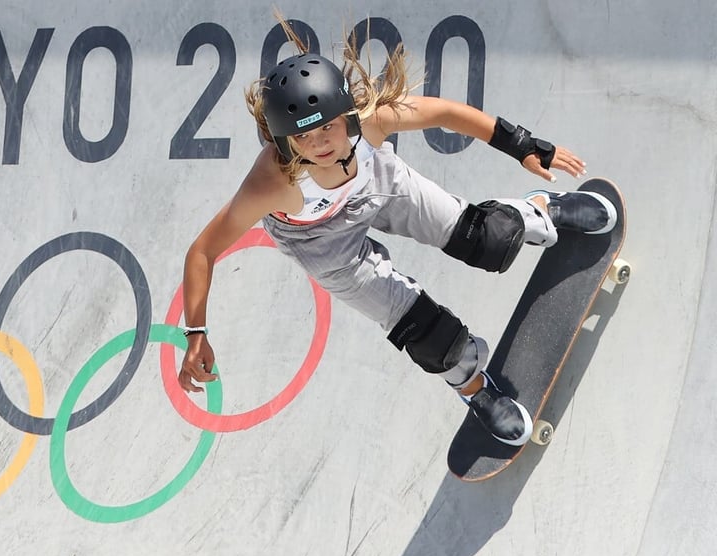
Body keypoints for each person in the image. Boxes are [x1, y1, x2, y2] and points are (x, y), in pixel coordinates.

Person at [176, 22, 616, 446]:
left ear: (347, 116)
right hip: (323, 245)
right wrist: (195, 333)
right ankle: (474, 388)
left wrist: (522, 145)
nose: (321, 144)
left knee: (487, 239)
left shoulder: (370, 121)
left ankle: (539, 211)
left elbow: (446, 113)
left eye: (328, 126)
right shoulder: (271, 184)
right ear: (285, 141)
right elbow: (203, 251)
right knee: (426, 334)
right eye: (304, 136)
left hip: (378, 183)